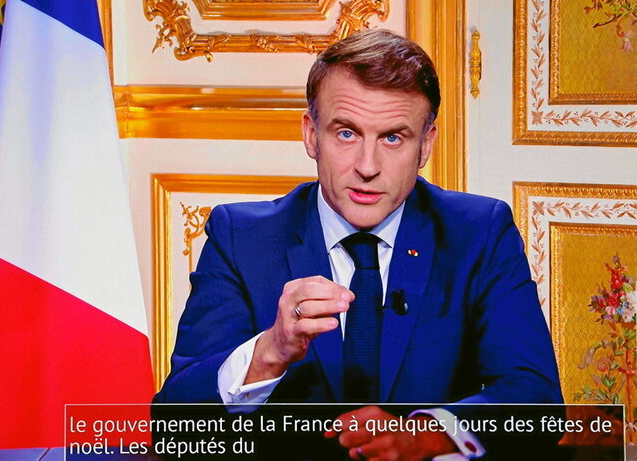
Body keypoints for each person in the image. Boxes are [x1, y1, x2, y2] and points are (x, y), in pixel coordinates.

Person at [155, 29, 562, 460]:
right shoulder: (241, 236)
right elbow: (173, 427)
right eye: (346, 133)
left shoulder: (479, 232)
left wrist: (427, 434)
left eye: (393, 137)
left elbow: (535, 402)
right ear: (312, 135)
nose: (367, 167)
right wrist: (269, 352)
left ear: (425, 144)